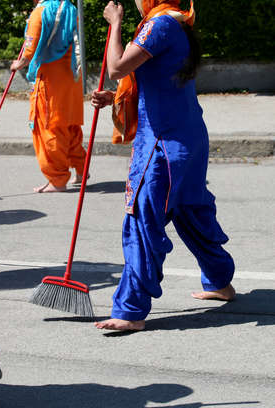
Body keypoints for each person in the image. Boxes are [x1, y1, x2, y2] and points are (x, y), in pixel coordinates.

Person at [92, 1, 235, 332]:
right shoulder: (178, 21)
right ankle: (220, 282)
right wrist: (115, 97)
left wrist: (114, 23)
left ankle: (130, 311)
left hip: (164, 145)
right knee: (191, 213)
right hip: (188, 138)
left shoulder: (159, 25)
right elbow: (159, 81)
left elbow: (117, 67)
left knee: (142, 221)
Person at [11, 0, 86, 193]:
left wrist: (19, 63)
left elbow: (30, 47)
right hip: (71, 78)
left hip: (50, 80)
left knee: (48, 127)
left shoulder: (41, 11)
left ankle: (57, 179)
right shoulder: (70, 8)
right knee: (69, 126)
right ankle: (81, 170)